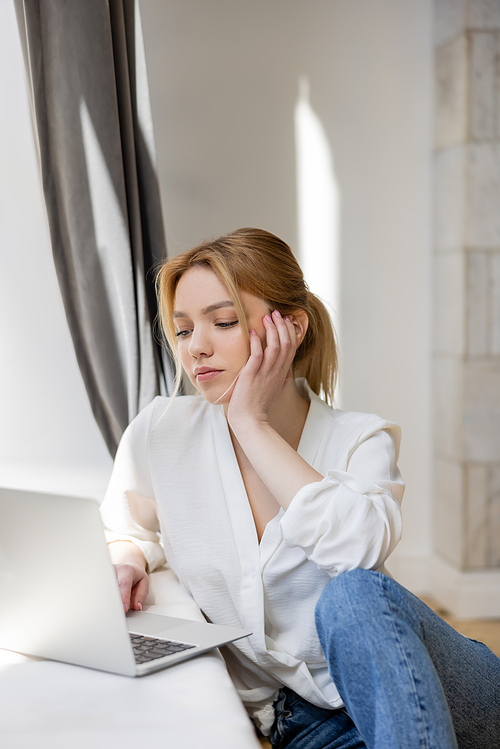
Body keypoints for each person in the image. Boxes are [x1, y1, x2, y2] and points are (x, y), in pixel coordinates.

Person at [100, 228, 500, 748]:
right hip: (308, 723)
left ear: (289, 327)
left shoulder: (360, 439)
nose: (196, 347)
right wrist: (127, 556)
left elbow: (357, 551)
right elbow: (126, 527)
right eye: (181, 331)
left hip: (453, 689)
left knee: (351, 596)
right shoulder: (161, 433)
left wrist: (251, 423)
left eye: (223, 322)